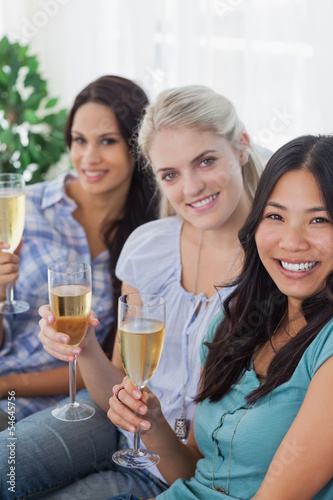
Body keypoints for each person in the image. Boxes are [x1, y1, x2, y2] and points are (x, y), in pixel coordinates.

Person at [0, 85, 264, 500]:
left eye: (207, 161)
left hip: (171, 471)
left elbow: (214, 457)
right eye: (171, 174)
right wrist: (84, 344)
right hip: (113, 427)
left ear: (242, 147)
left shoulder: (276, 267)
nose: (192, 187)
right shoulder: (150, 247)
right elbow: (120, 386)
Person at [108, 134, 333, 500]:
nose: (292, 242)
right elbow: (197, 469)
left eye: (319, 219)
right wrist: (153, 423)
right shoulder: (237, 319)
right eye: (275, 216)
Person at [0, 75, 158, 429]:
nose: (88, 157)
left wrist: (7, 387)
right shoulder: (25, 209)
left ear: (137, 146)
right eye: (79, 140)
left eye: (107, 141)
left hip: (62, 404)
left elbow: (109, 365)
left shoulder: (149, 238)